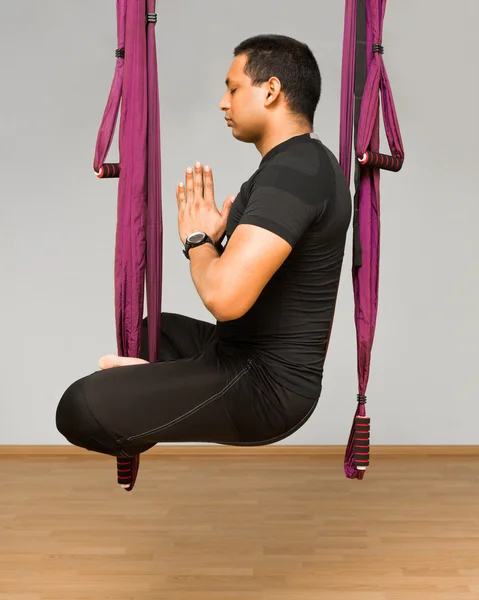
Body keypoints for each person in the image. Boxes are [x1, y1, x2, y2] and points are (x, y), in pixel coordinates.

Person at [55, 34, 352, 486]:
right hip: (240, 355)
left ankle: (146, 392)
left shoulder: (294, 173)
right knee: (153, 333)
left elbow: (225, 297)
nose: (222, 102)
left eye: (233, 89)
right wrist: (214, 242)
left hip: (265, 387)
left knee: (78, 407)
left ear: (270, 91)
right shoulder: (302, 165)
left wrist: (198, 240)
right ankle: (157, 384)